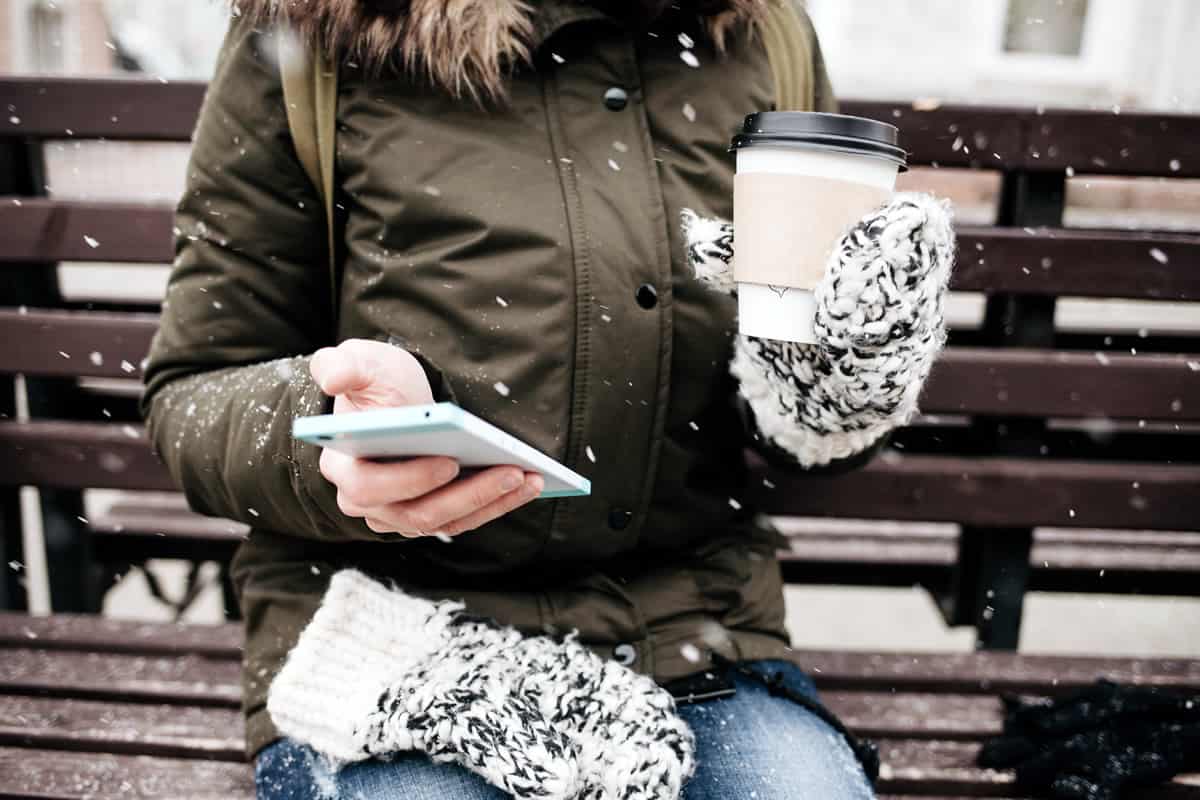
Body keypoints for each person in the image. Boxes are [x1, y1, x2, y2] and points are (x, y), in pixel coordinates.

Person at [140, 1, 954, 798]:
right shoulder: (318, 27)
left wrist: (843, 381)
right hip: (389, 646)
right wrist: (326, 442)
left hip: (695, 634)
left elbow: (801, 420)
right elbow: (195, 389)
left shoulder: (761, 29)